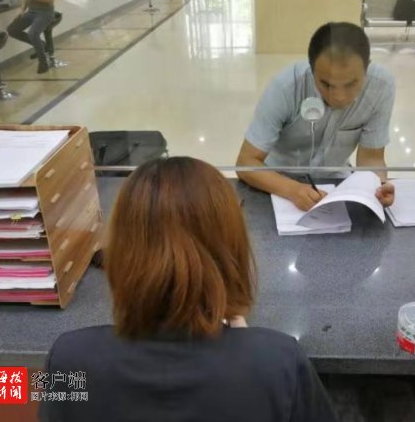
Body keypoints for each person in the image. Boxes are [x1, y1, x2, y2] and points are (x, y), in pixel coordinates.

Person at [40, 157, 337, 422]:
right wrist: (247, 345)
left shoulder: (67, 360)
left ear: (122, 254)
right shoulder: (279, 363)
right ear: (231, 252)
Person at [236, 22, 396, 212]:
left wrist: (379, 186)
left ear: (367, 67)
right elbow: (246, 163)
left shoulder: (380, 87)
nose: (339, 97)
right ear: (311, 69)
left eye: (351, 84)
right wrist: (292, 190)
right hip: (278, 179)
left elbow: (371, 158)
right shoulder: (286, 87)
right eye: (326, 84)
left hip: (336, 181)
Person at [6, 0, 54, 74]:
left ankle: (43, 63)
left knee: (32, 34)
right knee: (12, 29)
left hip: (45, 12)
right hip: (32, 12)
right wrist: (22, 10)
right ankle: (41, 45)